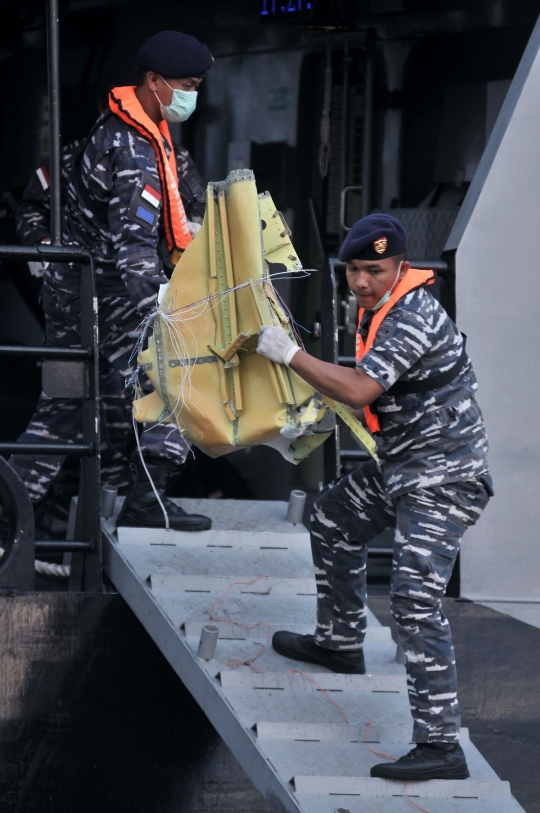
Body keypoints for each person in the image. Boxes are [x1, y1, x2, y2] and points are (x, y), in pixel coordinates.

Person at [256, 213, 493, 781]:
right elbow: (371, 396)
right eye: (353, 270)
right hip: (406, 469)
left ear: (400, 266)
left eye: (374, 270)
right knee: (333, 518)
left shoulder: (411, 313)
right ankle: (340, 642)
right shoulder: (378, 306)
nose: (361, 282)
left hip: (445, 478)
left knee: (413, 600)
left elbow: (362, 386)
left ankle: (441, 747)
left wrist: (290, 356)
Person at [10, 31, 213, 531]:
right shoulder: (135, 154)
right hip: (107, 296)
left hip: (82, 297)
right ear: (153, 81)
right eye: (186, 85)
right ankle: (146, 503)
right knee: (182, 371)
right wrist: (166, 310)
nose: (192, 96)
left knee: (63, 411)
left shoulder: (149, 140)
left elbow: (200, 205)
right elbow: (134, 246)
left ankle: (9, 516)